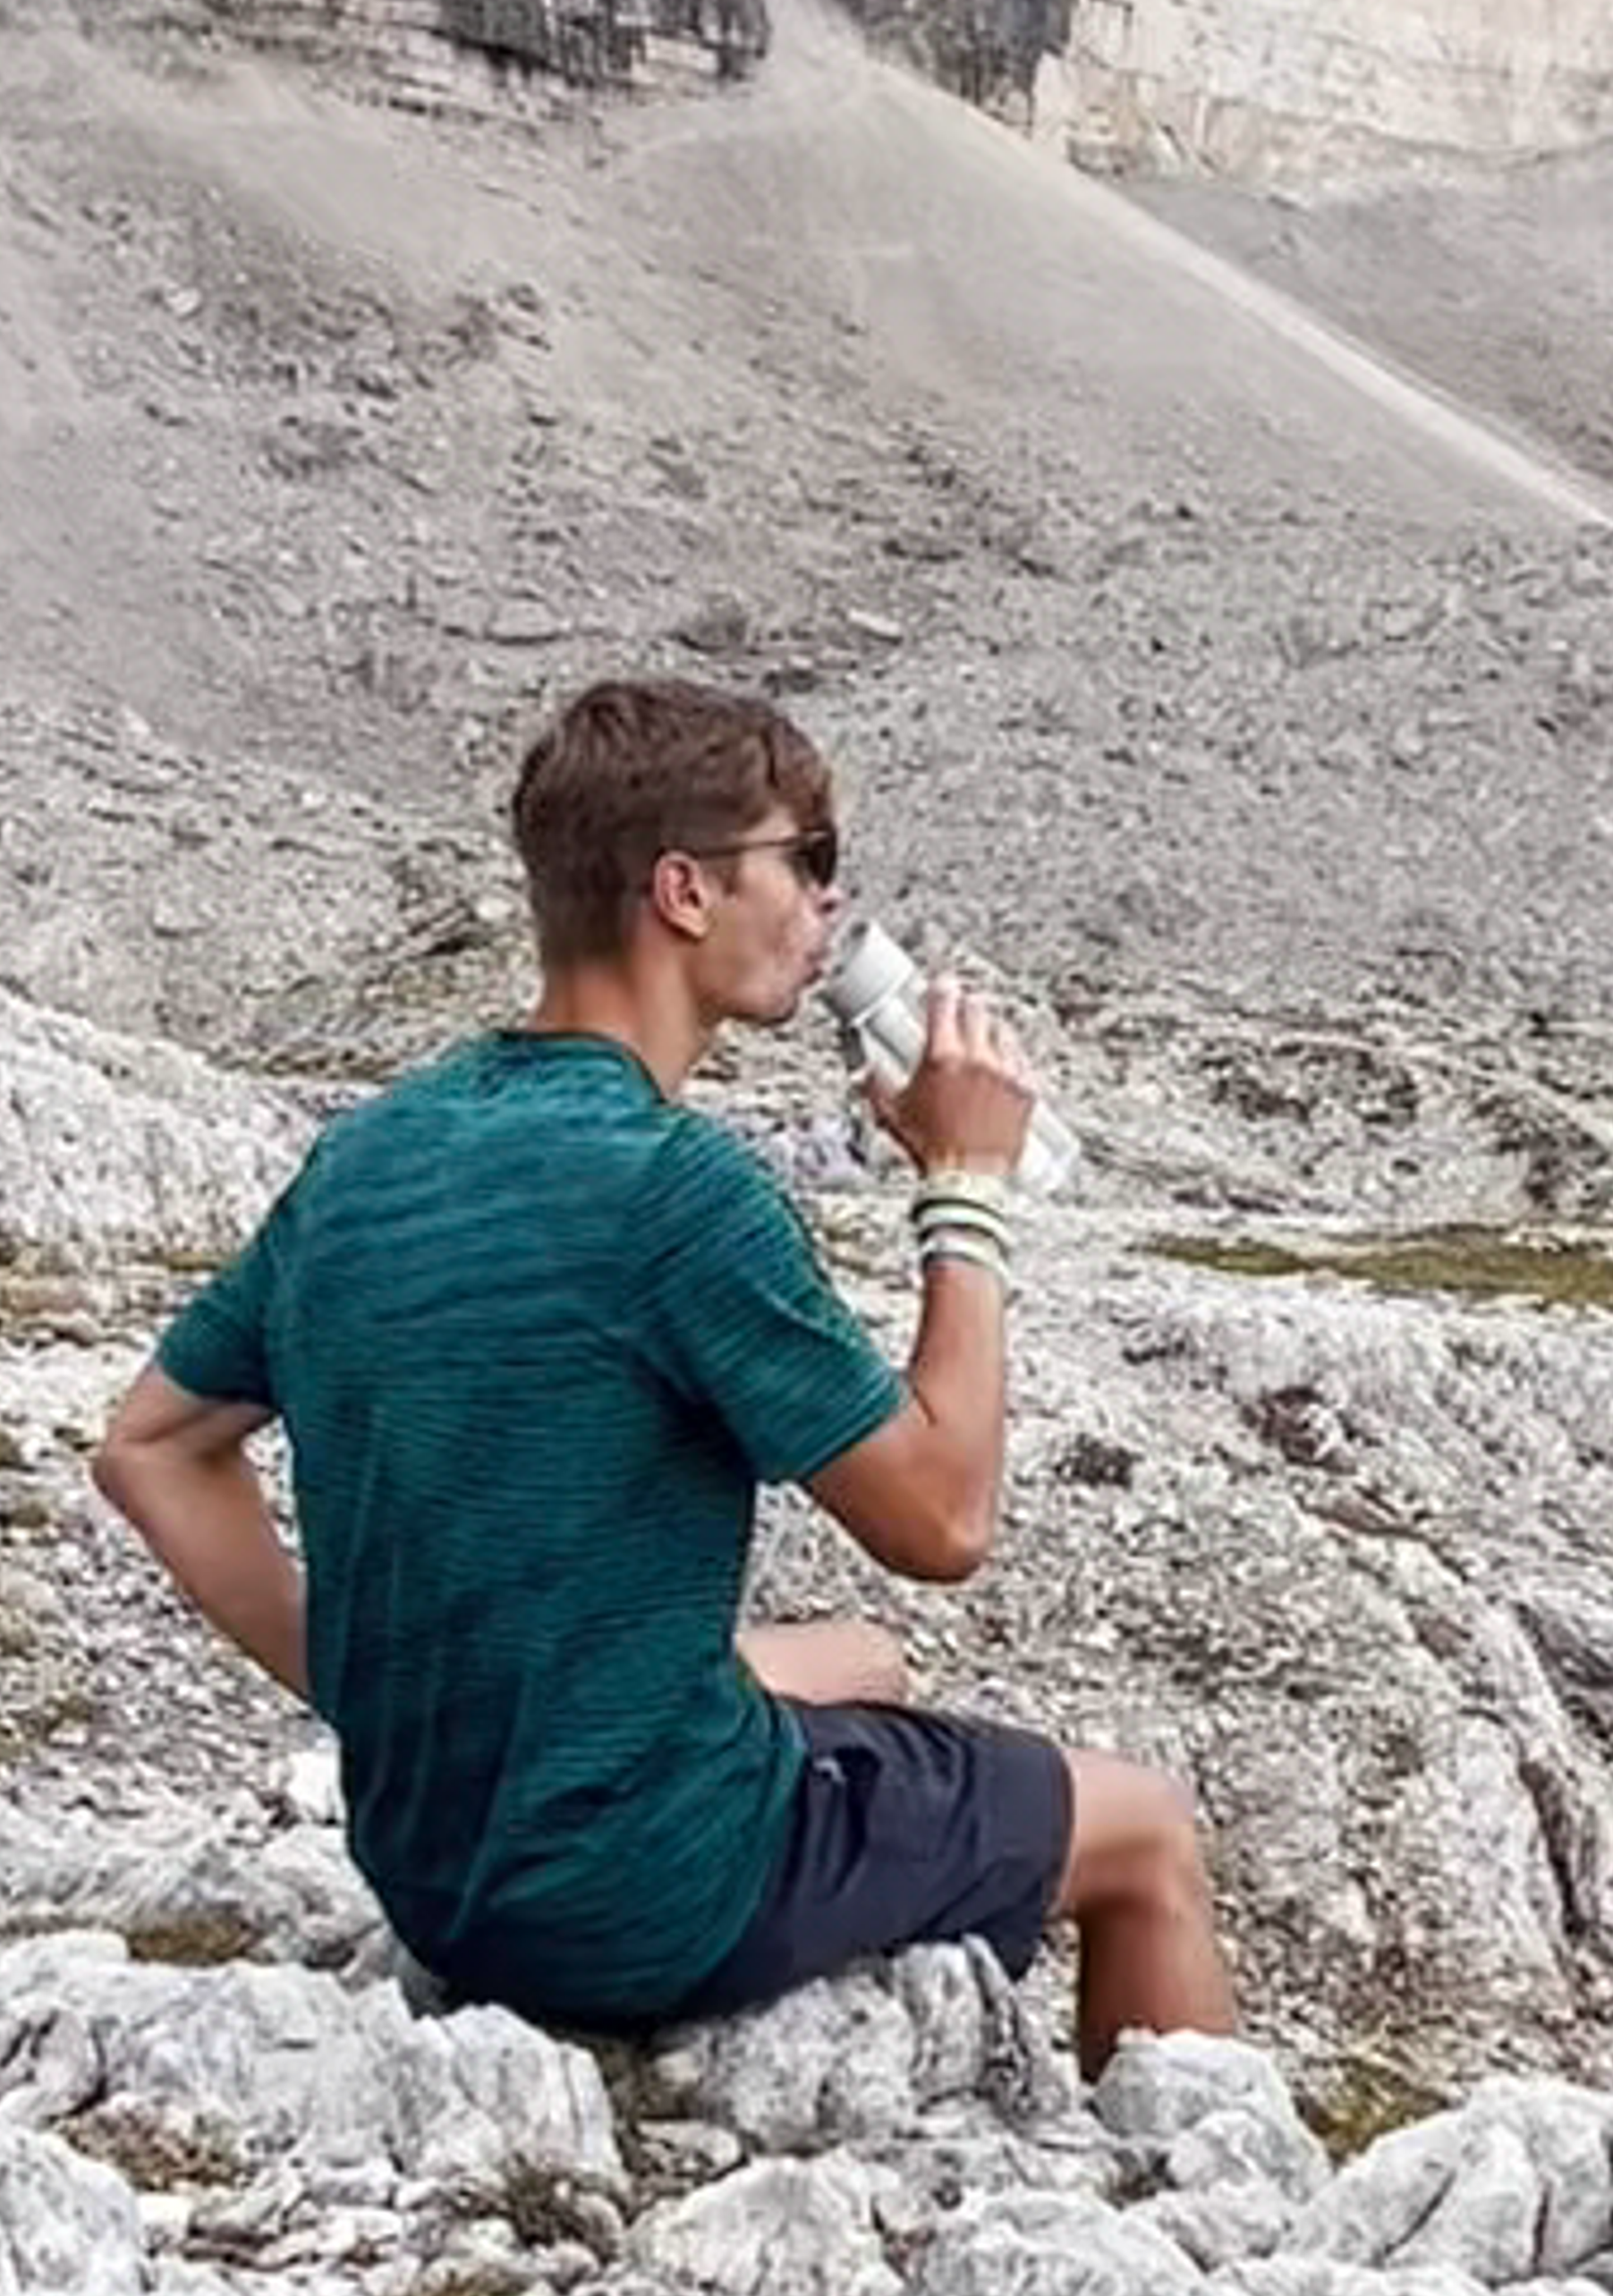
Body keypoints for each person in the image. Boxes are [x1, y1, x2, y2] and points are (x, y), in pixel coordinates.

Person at [91, 677, 1234, 2076]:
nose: (829, 901)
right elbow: (944, 1519)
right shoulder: (677, 1186)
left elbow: (150, 1445)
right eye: (805, 857)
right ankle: (1204, 2172)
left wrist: (369, 1694)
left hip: (434, 1871)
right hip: (644, 1894)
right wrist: (964, 1185)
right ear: (686, 890)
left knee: (864, 1663)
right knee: (1146, 1828)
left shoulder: (368, 1154)